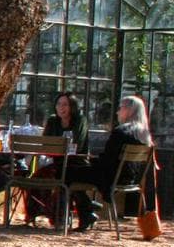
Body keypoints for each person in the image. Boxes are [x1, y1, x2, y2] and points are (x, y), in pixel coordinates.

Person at [64, 95, 154, 232]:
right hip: (131, 179)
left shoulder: (121, 132)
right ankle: (89, 206)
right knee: (78, 171)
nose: (117, 112)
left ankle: (86, 210)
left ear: (129, 110)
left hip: (110, 178)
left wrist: (91, 161)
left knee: (67, 172)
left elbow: (107, 161)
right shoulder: (145, 134)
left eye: (120, 108)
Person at [27, 91, 90, 225]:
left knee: (63, 179)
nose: (62, 107)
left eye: (65, 104)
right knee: (37, 178)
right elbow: (45, 144)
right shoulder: (52, 121)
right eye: (59, 104)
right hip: (57, 163)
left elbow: (77, 146)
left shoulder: (80, 120)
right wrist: (57, 148)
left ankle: (59, 217)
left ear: (72, 106)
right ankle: (35, 214)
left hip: (76, 164)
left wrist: (58, 147)